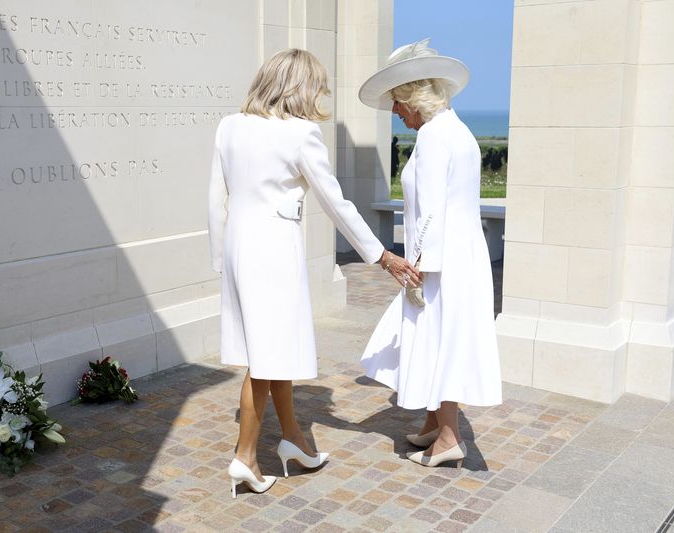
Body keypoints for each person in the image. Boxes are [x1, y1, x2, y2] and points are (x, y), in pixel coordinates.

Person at [208, 48, 419, 497]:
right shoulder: (301, 133)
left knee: (271, 348)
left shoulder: (229, 126)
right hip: (274, 252)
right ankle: (245, 457)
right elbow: (335, 203)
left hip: (237, 249)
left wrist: (219, 261)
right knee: (264, 360)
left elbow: (216, 200)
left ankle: (295, 441)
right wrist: (381, 255)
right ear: (301, 87)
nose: (320, 94)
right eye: (317, 86)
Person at [358, 39, 502, 468]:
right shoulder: (454, 129)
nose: (395, 112)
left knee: (443, 341)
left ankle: (450, 438)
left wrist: (416, 266)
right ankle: (434, 423)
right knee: (441, 338)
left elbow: (432, 211)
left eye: (397, 104)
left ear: (412, 97)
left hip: (441, 261)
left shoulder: (437, 136)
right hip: (459, 255)